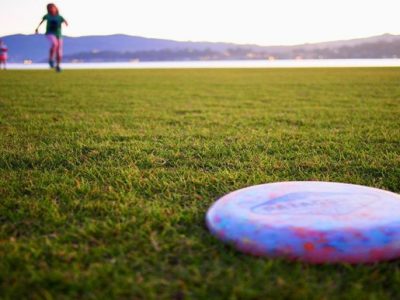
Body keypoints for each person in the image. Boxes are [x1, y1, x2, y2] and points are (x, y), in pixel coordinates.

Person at [35, 3, 68, 72]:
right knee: (54, 44)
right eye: (49, 8)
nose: (50, 9)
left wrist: (65, 23)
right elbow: (41, 21)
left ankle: (58, 66)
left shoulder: (59, 17)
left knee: (59, 51)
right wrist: (37, 28)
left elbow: (65, 21)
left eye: (52, 7)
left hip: (58, 34)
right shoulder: (47, 16)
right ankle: (51, 59)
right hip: (50, 33)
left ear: (55, 8)